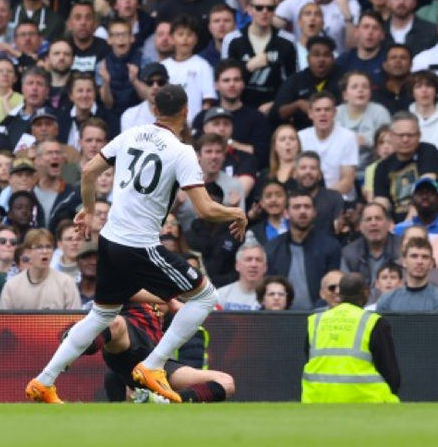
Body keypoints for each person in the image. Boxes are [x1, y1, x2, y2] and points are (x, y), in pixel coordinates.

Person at [25, 84, 247, 405]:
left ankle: (45, 381)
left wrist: (88, 212)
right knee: (205, 297)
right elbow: (206, 210)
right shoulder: (181, 151)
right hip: (139, 244)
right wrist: (235, 212)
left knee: (101, 314)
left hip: (110, 240)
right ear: (185, 112)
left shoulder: (132, 134)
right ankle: (153, 366)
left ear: (154, 109)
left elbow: (88, 171)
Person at [85, 302, 235, 403]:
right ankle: (71, 349)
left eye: (159, 301)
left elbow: (191, 365)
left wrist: (162, 392)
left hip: (163, 375)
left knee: (226, 382)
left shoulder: (186, 326)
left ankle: (166, 402)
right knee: (113, 373)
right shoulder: (127, 321)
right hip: (130, 371)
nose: (156, 305)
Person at [301, 272, 399, 403]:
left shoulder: (316, 321)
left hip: (317, 400)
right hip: (366, 400)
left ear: (340, 293)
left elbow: (309, 357)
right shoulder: (373, 322)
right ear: (366, 292)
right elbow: (389, 371)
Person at [376, 236, 438, 311]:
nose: (419, 261)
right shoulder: (386, 301)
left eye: (425, 257)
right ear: (404, 261)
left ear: (431, 263)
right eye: (414, 256)